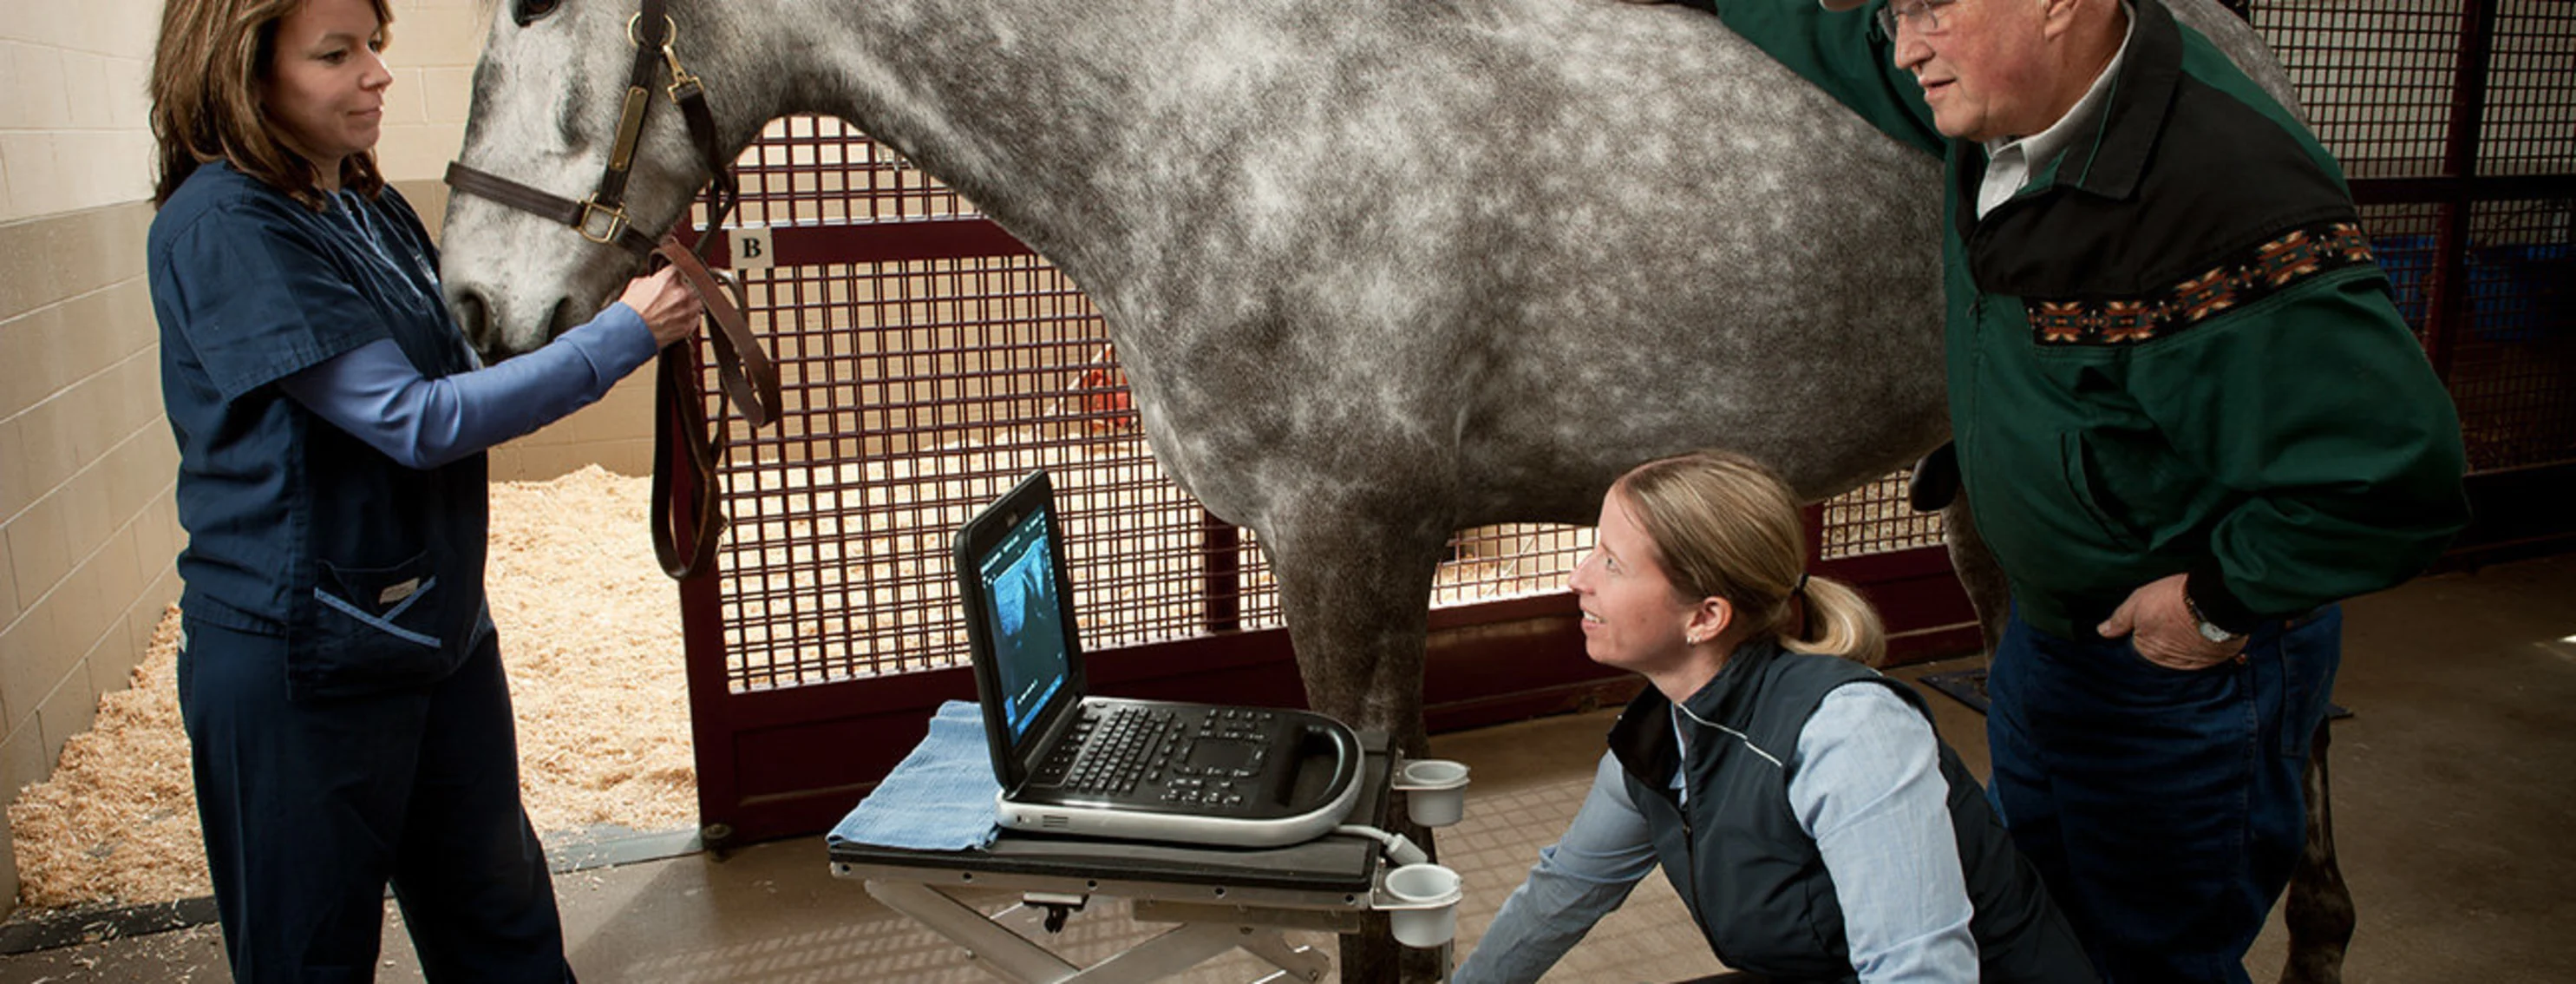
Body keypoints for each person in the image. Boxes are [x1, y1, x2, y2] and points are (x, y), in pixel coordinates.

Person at [1669, 0, 2474, 980]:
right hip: (2052, 646)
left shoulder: (2218, 196)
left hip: (2180, 679)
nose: (1905, 43)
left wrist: (2217, 605)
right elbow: (1835, 40)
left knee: (2148, 954)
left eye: (1929, 8)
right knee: (2036, 929)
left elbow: (2398, 475)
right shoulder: (2010, 97)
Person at [145, 0, 703, 978]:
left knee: (505, 929)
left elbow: (465, 361)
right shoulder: (227, 225)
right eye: (336, 54)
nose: (376, 74)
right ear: (243, 70)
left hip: (435, 633)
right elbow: (415, 421)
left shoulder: (362, 203)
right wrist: (621, 339)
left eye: (374, 46)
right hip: (305, 663)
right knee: (309, 954)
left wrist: (600, 273)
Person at [1454, 450, 2096, 983]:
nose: (1577, 578)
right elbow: (1564, 890)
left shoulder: (1851, 733)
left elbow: (1921, 972)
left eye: (1612, 564)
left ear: (1706, 616)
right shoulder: (1661, 735)